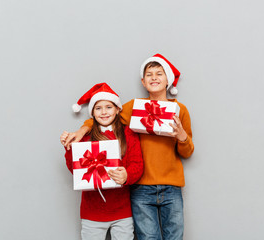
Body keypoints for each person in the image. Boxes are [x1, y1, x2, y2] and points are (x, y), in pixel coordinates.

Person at [63, 54, 194, 240]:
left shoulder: (180, 110)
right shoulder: (134, 107)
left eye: (159, 73)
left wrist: (182, 137)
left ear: (168, 80)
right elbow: (106, 115)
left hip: (172, 186)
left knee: (175, 236)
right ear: (143, 81)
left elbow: (188, 152)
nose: (154, 77)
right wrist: (83, 128)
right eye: (149, 74)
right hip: (140, 187)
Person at [60, 82, 143, 240]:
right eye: (98, 108)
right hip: (92, 213)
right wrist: (69, 148)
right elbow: (75, 169)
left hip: (122, 211)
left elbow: (137, 165)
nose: (104, 112)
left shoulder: (129, 134)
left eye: (109, 107)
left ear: (118, 109)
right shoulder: (84, 137)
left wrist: (127, 175)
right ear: (92, 112)